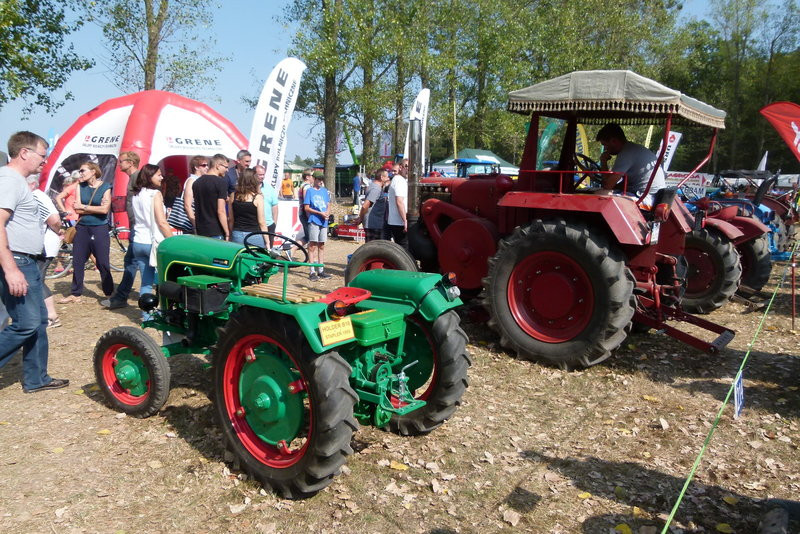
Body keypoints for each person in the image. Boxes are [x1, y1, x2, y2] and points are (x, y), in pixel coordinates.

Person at [0, 131, 69, 393]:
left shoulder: (17, 181)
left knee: (39, 320)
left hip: (28, 259)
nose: (45, 161)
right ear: (24, 153)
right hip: (17, 260)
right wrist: (11, 269)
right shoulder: (9, 180)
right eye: (43, 155)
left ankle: (36, 378)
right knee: (26, 323)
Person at [60, 161, 114, 303]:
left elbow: (104, 210)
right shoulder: (80, 186)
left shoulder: (105, 187)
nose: (80, 173)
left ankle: (109, 294)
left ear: (93, 172)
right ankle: (75, 293)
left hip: (99, 228)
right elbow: (76, 210)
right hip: (82, 227)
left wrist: (84, 206)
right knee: (78, 261)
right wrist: (92, 208)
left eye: (83, 170)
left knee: (102, 262)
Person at [130, 164, 172, 315]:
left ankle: (146, 315)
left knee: (146, 282)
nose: (161, 177)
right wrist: (172, 240)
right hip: (153, 242)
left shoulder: (136, 194)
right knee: (164, 281)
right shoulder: (155, 194)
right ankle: (166, 312)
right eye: (158, 175)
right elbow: (161, 222)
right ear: (149, 177)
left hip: (138, 240)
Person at [101, 152, 140, 309]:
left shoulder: (137, 178)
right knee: (138, 262)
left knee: (132, 262)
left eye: (121, 162)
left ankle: (121, 297)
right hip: (136, 227)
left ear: (130, 163)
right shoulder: (134, 178)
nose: (119, 165)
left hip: (139, 228)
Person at [26, 175, 64, 328]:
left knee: (38, 280)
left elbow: (54, 219)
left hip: (45, 244)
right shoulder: (34, 195)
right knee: (37, 280)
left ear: (32, 183)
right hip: (41, 243)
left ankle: (51, 316)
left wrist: (58, 231)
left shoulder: (36, 196)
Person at [595, 123, 666, 203]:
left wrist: (603, 161)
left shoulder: (626, 153)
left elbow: (607, 185)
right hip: (651, 195)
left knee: (600, 194)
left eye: (604, 145)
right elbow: (616, 185)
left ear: (614, 141)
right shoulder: (632, 149)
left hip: (646, 197)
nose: (605, 149)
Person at [193, 153, 230, 239]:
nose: (227, 170)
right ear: (218, 166)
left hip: (200, 230)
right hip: (216, 231)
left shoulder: (196, 183)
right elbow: (221, 211)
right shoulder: (221, 183)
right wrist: (227, 232)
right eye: (226, 167)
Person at [230, 168, 269, 246]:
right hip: (254, 235)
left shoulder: (233, 195)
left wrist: (230, 233)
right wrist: (267, 241)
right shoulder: (258, 197)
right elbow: (262, 222)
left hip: (237, 233)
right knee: (256, 257)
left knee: (240, 257)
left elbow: (231, 219)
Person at [303, 171, 331, 281]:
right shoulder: (309, 191)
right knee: (312, 245)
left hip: (324, 221)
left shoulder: (324, 191)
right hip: (314, 220)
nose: (320, 181)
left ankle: (321, 270)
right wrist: (320, 213)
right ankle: (312, 271)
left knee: (322, 245)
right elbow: (306, 207)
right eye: (318, 179)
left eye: (321, 179)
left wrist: (327, 213)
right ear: (314, 179)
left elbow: (328, 204)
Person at [356, 169, 390, 241]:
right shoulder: (376, 189)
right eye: (387, 177)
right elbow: (365, 205)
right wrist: (360, 218)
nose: (388, 179)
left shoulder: (374, 186)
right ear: (381, 177)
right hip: (374, 225)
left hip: (374, 224)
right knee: (373, 249)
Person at [387, 158, 409, 249]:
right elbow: (399, 202)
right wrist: (405, 220)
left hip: (396, 221)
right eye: (406, 166)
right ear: (401, 167)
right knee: (404, 250)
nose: (408, 169)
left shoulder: (397, 179)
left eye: (410, 167)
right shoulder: (400, 181)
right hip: (399, 223)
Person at [183, 155, 208, 230]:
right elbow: (187, 205)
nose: (207, 167)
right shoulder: (192, 181)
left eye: (207, 165)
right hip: (192, 223)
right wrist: (195, 224)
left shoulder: (201, 180)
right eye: (204, 165)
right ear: (196, 167)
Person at [257, 165, 280, 247]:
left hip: (268, 225)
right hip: (254, 225)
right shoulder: (249, 188)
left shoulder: (269, 188)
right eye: (259, 174)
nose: (262, 176)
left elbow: (275, 206)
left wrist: (274, 223)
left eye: (263, 174)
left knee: (268, 250)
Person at [297, 169, 314, 246]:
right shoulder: (306, 187)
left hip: (304, 214)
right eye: (312, 176)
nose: (314, 178)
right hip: (305, 214)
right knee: (311, 237)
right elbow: (306, 202)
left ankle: (292, 250)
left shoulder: (304, 186)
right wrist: (309, 215)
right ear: (307, 177)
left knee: (308, 237)